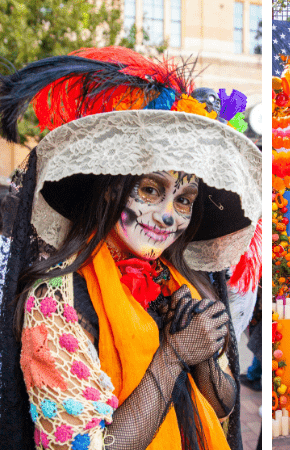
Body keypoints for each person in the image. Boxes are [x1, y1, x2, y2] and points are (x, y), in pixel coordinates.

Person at [0, 47, 261, 449]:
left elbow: (225, 410)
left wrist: (204, 357)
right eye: (151, 189)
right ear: (109, 190)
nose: (168, 216)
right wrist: (173, 355)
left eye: (184, 200)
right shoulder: (57, 299)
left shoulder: (180, 285)